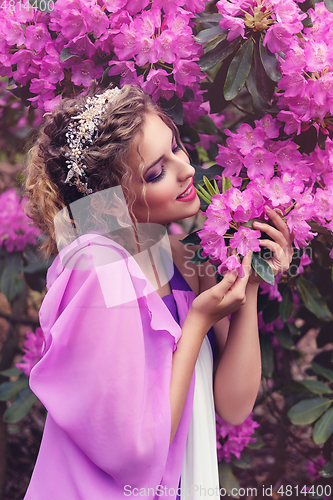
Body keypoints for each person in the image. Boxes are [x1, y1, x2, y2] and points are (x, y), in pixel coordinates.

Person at [23, 83, 292, 500]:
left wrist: (252, 284)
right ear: (113, 201)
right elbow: (134, 451)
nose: (186, 169)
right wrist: (199, 322)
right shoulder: (99, 267)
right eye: (156, 172)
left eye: (177, 147)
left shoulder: (182, 259)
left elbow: (235, 406)